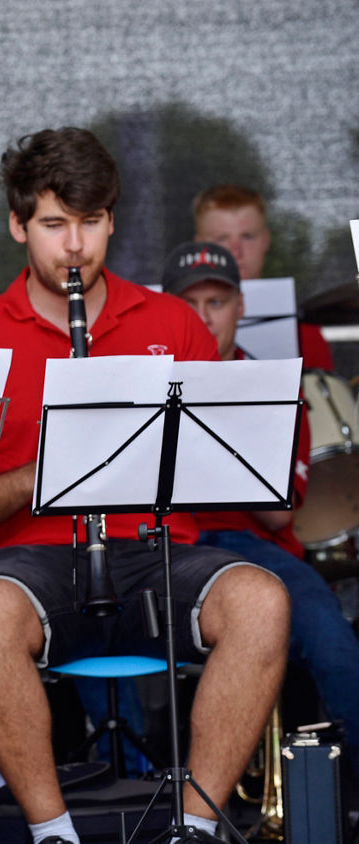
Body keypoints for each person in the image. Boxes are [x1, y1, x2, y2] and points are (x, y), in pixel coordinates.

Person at [0, 127, 290, 844]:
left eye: (90, 223)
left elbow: (223, 464)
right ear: (17, 225)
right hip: (35, 558)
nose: (74, 248)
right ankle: (53, 832)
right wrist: (53, 471)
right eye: (54, 224)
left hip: (155, 548)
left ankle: (196, 828)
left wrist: (138, 454)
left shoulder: (171, 321)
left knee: (263, 600)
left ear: (111, 221)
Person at [161, 239, 359, 773]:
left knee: (334, 640)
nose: (204, 319)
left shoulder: (273, 385)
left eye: (217, 303)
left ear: (240, 307)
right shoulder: (150, 381)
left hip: (251, 544)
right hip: (163, 542)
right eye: (190, 305)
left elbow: (278, 514)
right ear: (168, 309)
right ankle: (137, 794)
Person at [191, 184, 333, 370]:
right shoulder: (179, 323)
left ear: (266, 240)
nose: (235, 251)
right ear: (198, 246)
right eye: (221, 238)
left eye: (247, 236)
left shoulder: (304, 333)